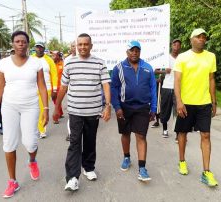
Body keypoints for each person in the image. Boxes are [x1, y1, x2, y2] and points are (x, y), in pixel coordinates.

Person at [0, 31, 49, 198]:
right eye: (17, 41)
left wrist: (46, 109)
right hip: (9, 107)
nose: (21, 44)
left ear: (28, 44)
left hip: (30, 106)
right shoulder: (4, 64)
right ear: (13, 44)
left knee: (30, 142)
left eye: (24, 41)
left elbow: (42, 87)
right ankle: (12, 181)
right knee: (9, 143)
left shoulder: (36, 63)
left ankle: (32, 161)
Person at [53, 33, 111, 191]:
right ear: (76, 46)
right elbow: (63, 87)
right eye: (80, 44)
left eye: (86, 44)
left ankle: (89, 167)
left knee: (90, 141)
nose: (83, 47)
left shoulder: (100, 63)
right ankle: (72, 177)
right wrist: (56, 108)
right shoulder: (70, 63)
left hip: (93, 111)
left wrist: (107, 106)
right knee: (75, 143)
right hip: (75, 111)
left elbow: (106, 84)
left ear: (91, 46)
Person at [174, 28, 218, 187]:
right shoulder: (182, 57)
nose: (202, 39)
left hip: (204, 103)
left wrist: (214, 101)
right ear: (191, 39)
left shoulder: (211, 56)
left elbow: (211, 79)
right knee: (183, 133)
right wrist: (179, 101)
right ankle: (182, 161)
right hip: (186, 103)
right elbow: (177, 81)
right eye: (198, 37)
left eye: (204, 37)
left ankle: (206, 172)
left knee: (206, 135)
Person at [111, 40, 157, 181]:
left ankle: (142, 168)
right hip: (124, 107)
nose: (134, 53)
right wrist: (117, 107)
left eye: (137, 50)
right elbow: (113, 88)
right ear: (127, 52)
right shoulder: (118, 67)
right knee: (125, 133)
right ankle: (126, 157)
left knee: (141, 136)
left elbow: (153, 89)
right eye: (132, 50)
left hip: (143, 107)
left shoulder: (148, 68)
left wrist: (154, 108)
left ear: (140, 52)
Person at [32, 42, 58, 138]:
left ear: (44, 49)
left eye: (41, 48)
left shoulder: (49, 60)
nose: (39, 49)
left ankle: (42, 130)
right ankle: (34, 128)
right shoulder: (30, 59)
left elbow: (54, 75)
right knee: (34, 110)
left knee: (43, 109)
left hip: (46, 89)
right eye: (37, 47)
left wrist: (55, 90)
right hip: (32, 89)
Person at [157, 39, 181, 138]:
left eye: (178, 45)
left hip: (178, 88)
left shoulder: (182, 58)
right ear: (171, 46)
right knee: (165, 110)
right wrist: (164, 72)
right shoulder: (165, 58)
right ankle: (165, 130)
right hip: (166, 87)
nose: (176, 46)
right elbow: (155, 70)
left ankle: (177, 134)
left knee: (178, 111)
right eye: (174, 44)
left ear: (180, 47)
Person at [64, 41, 76, 141]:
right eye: (72, 46)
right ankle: (70, 133)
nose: (74, 48)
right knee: (71, 113)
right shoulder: (67, 60)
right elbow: (65, 77)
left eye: (76, 45)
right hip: (71, 91)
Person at [51, 50, 64, 124]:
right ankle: (60, 113)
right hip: (52, 86)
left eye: (55, 55)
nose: (53, 57)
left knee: (57, 101)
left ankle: (56, 118)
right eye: (52, 55)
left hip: (61, 86)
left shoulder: (62, 64)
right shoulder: (50, 64)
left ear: (59, 56)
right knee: (55, 101)